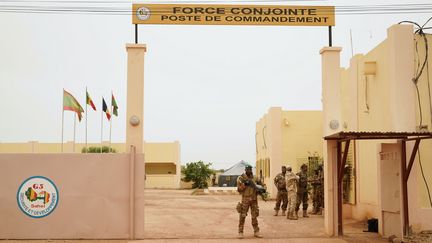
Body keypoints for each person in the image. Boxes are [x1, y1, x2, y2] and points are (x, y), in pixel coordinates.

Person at [236, 165, 265, 238]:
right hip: (245, 200)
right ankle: (240, 232)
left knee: (254, 216)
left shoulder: (255, 178)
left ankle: (256, 231)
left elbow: (263, 185)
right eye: (248, 169)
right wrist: (244, 185)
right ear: (245, 170)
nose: (249, 171)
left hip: (254, 200)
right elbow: (239, 189)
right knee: (242, 216)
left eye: (250, 169)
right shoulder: (241, 178)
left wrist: (262, 189)